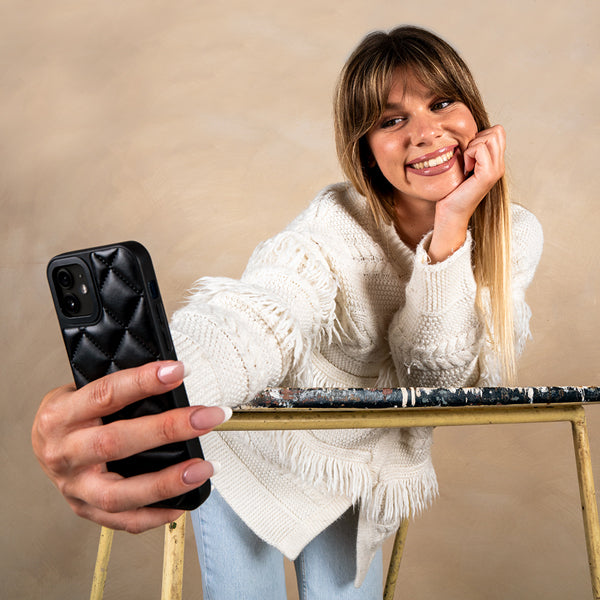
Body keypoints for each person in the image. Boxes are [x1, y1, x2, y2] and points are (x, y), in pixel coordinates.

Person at [32, 25, 543, 599]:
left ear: (475, 113)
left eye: (442, 102)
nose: (425, 133)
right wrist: (131, 398)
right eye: (392, 120)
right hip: (249, 448)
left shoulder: (513, 233)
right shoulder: (334, 227)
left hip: (349, 463)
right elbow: (259, 319)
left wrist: (452, 226)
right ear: (366, 150)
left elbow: (434, 380)